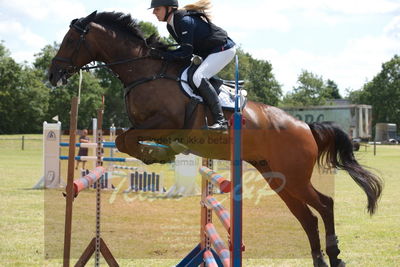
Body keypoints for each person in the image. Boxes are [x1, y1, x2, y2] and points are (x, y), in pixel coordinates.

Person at [149, 0, 236, 130]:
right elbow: (183, 51)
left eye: (157, 9)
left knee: (198, 77)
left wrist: (162, 56)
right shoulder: (170, 25)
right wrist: (162, 53)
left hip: (224, 49)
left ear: (169, 8)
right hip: (209, 52)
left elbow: (186, 53)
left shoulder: (184, 21)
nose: (154, 12)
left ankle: (221, 121)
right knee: (189, 74)